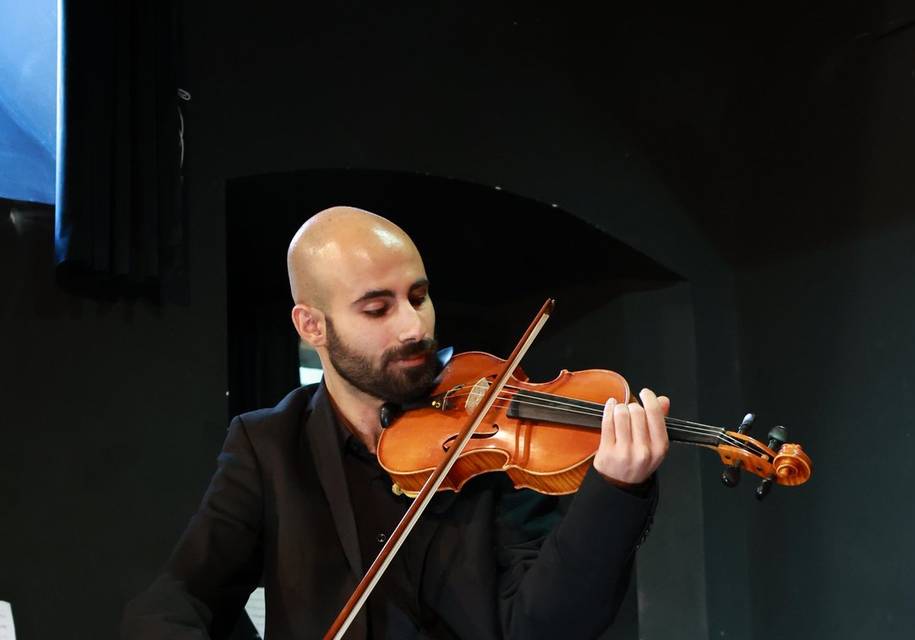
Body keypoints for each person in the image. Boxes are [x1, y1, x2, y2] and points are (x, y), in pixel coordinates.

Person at [122, 206, 670, 640]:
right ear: (312, 324)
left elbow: (545, 627)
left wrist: (615, 492)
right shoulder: (268, 446)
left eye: (419, 297)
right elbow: (178, 598)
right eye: (377, 308)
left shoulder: (488, 443)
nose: (414, 326)